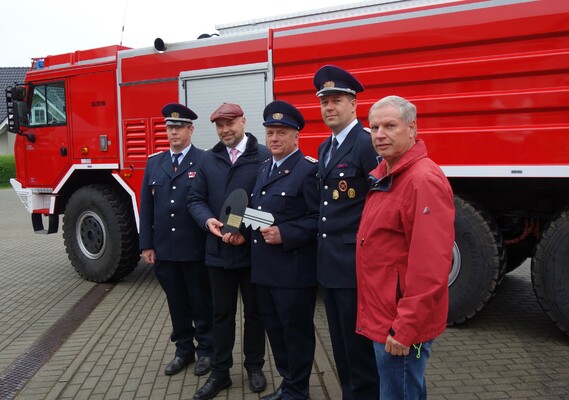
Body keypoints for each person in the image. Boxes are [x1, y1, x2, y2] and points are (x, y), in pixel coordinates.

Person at [356, 95, 455, 399]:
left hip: (399, 326)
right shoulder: (391, 175)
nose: (379, 134)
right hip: (387, 316)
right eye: (373, 127)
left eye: (389, 125)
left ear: (412, 128)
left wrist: (406, 329)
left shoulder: (421, 180)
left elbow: (431, 266)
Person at [188, 102, 271, 400]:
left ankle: (255, 367)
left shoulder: (263, 156)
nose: (225, 130)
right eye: (220, 125)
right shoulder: (208, 160)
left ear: (243, 121)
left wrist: (245, 236)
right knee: (221, 315)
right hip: (217, 252)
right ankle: (220, 373)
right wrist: (207, 220)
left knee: (256, 314)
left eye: (230, 123)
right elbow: (195, 200)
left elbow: (268, 206)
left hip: (252, 254)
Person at [313, 64, 380, 400]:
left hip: (356, 267)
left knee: (359, 351)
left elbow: (381, 203)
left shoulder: (365, 144)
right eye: (325, 101)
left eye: (337, 100)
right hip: (331, 266)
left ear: (354, 104)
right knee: (340, 346)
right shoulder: (326, 149)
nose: (329, 107)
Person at [250, 100, 320, 400]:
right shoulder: (265, 168)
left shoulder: (307, 171)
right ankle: (288, 383)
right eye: (270, 133)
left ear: (296, 137)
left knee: (296, 334)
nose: (274, 138)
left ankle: (298, 390)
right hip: (264, 270)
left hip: (293, 272)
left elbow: (319, 220)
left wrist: (286, 233)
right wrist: (235, 227)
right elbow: (259, 212)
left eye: (281, 132)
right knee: (276, 333)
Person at [139, 103, 213, 377]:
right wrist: (146, 244)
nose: (173, 133)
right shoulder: (154, 163)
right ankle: (184, 350)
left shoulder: (204, 160)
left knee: (201, 302)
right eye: (170, 128)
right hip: (166, 250)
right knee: (176, 303)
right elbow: (146, 207)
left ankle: (207, 350)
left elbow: (210, 203)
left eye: (179, 127)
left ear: (191, 130)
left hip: (195, 249)